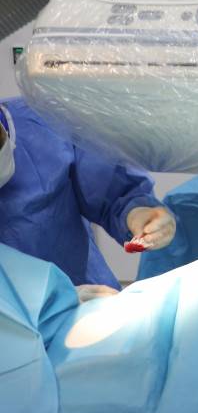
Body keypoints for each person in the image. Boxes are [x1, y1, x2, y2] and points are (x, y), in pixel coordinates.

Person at [0, 96, 175, 301]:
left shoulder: (42, 122)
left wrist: (137, 212)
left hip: (90, 301)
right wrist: (36, 306)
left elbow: (110, 185)